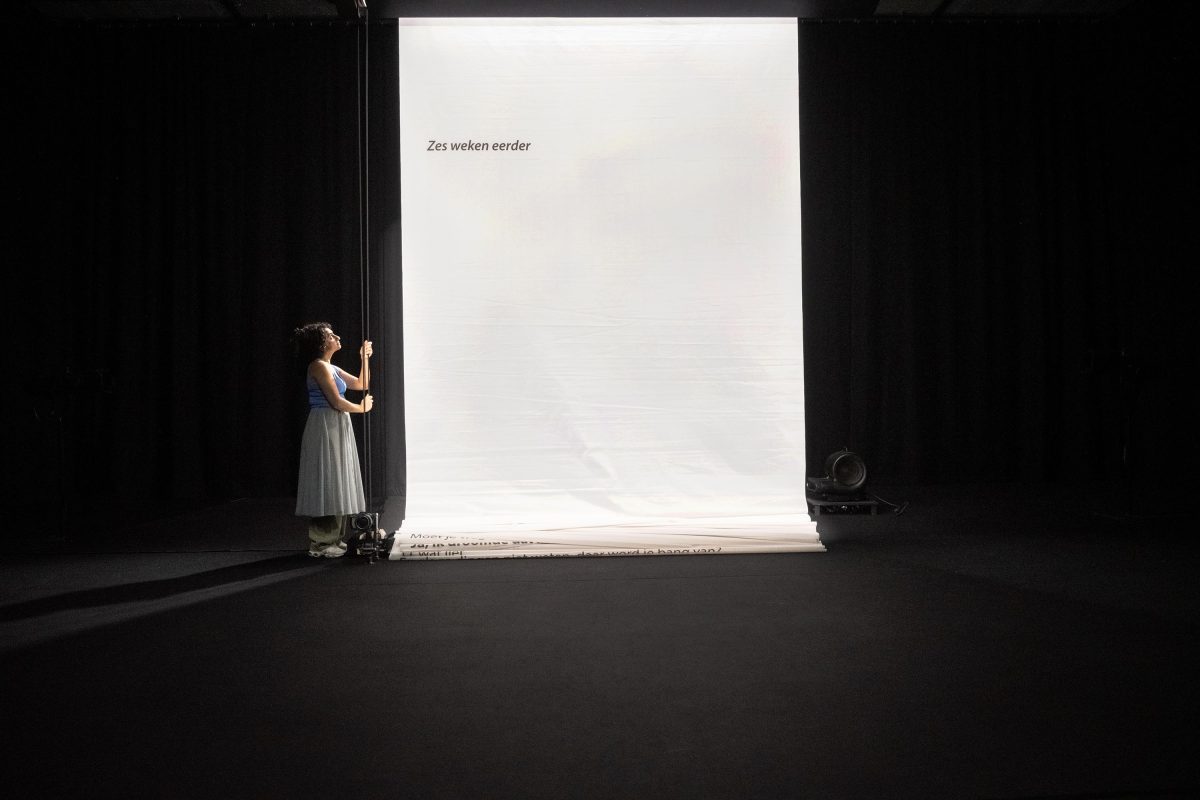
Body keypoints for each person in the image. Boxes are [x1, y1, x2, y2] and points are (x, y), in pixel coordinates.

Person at [291, 322, 374, 558]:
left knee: (338, 478)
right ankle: (321, 542)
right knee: (327, 479)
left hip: (337, 424)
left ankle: (334, 538)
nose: (336, 337)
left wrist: (364, 358)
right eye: (330, 335)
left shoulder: (330, 367)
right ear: (320, 344)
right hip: (325, 424)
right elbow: (336, 401)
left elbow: (362, 384)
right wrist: (361, 408)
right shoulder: (318, 366)